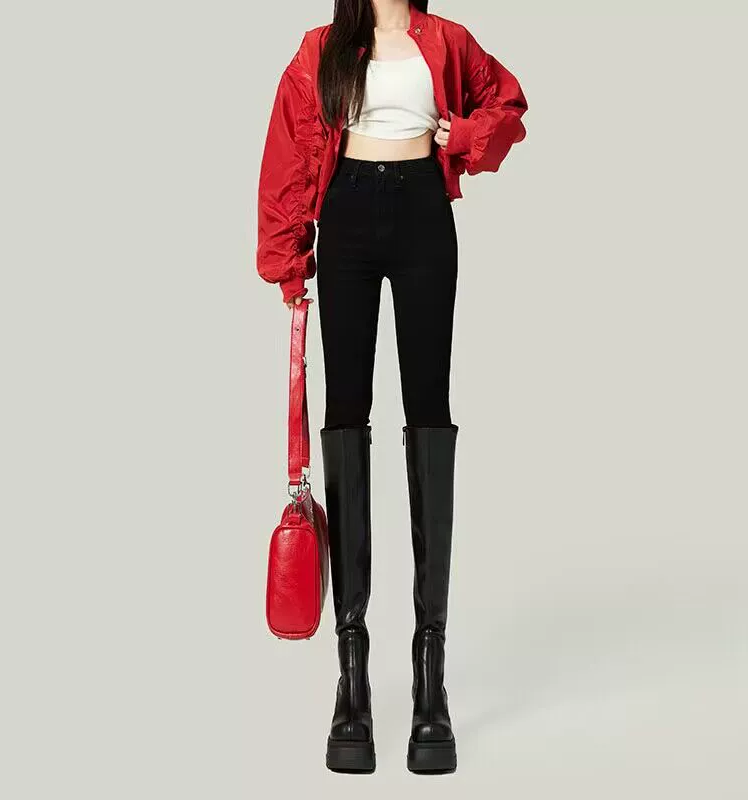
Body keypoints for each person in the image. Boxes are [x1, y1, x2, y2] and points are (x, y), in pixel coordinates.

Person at [256, 0, 527, 775]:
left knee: (429, 414)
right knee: (345, 417)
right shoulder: (322, 48)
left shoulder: (448, 40)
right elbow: (287, 147)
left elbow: (507, 104)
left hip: (422, 216)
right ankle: (352, 681)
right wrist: (287, 258)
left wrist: (463, 137)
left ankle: (429, 679)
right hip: (345, 214)